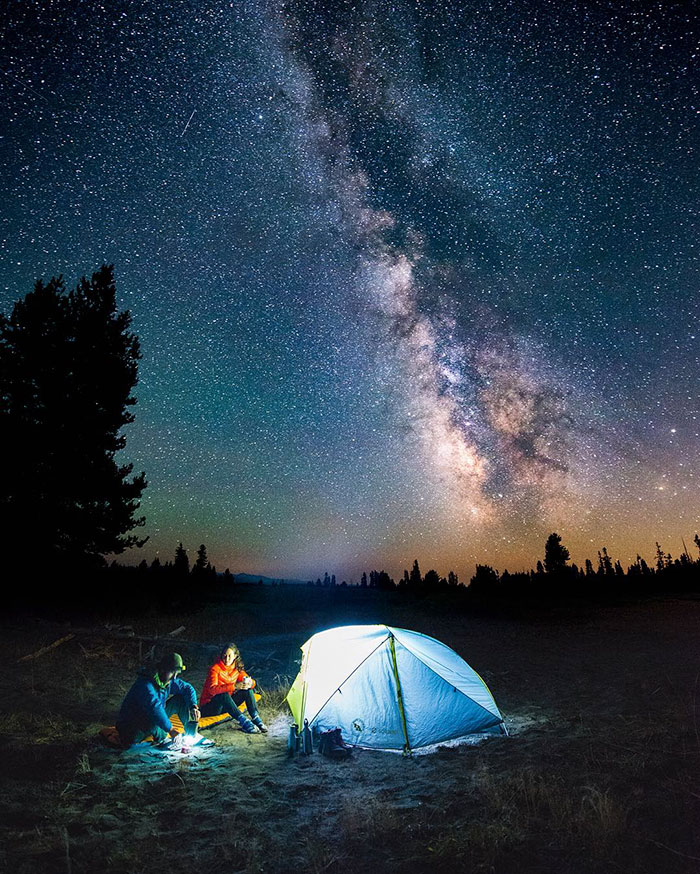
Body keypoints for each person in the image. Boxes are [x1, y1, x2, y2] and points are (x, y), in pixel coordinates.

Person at [116, 651, 200, 747]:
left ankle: (191, 735)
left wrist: (193, 706)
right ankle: (160, 737)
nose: (174, 677)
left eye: (177, 673)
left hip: (152, 718)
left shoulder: (168, 680)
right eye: (173, 672)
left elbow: (188, 688)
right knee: (158, 728)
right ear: (163, 669)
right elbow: (155, 708)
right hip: (132, 727)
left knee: (181, 700)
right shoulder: (145, 684)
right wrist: (171, 730)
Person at [200, 643, 267, 733]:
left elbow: (252, 682)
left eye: (229, 656)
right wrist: (234, 686)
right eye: (224, 656)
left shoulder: (236, 668)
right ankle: (244, 722)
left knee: (247, 690)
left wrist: (249, 683)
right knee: (223, 694)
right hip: (210, 707)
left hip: (226, 705)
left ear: (235, 656)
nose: (226, 659)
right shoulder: (215, 669)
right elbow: (212, 690)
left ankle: (255, 717)